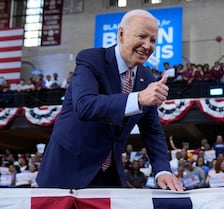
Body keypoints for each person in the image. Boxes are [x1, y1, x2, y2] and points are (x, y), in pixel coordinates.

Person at [36, 9, 183, 191]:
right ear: (121, 34)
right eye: (142, 36)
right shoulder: (91, 59)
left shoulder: (148, 79)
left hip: (109, 175)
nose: (147, 45)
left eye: (153, 40)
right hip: (66, 170)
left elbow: (152, 132)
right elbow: (84, 106)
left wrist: (162, 170)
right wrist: (137, 98)